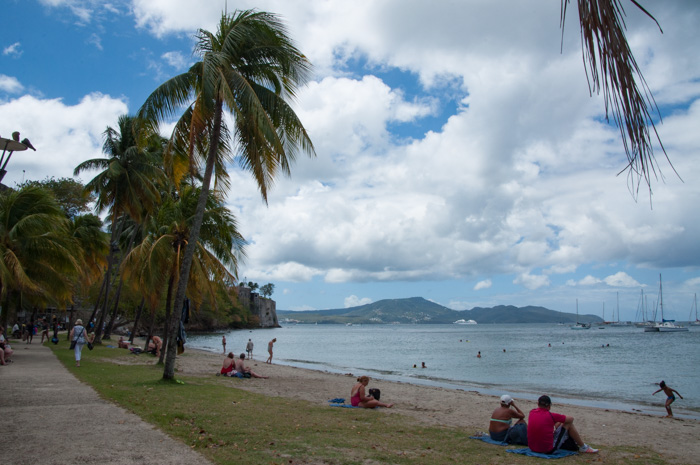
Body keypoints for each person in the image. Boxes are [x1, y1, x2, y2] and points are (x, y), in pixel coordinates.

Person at [527, 395, 598, 454]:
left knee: (561, 423)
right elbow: (571, 419)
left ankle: (583, 447)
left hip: (532, 447)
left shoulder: (532, 412)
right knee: (569, 424)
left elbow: (546, 421)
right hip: (547, 449)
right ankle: (583, 447)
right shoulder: (551, 415)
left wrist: (559, 422)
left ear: (538, 404)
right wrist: (560, 421)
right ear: (549, 406)